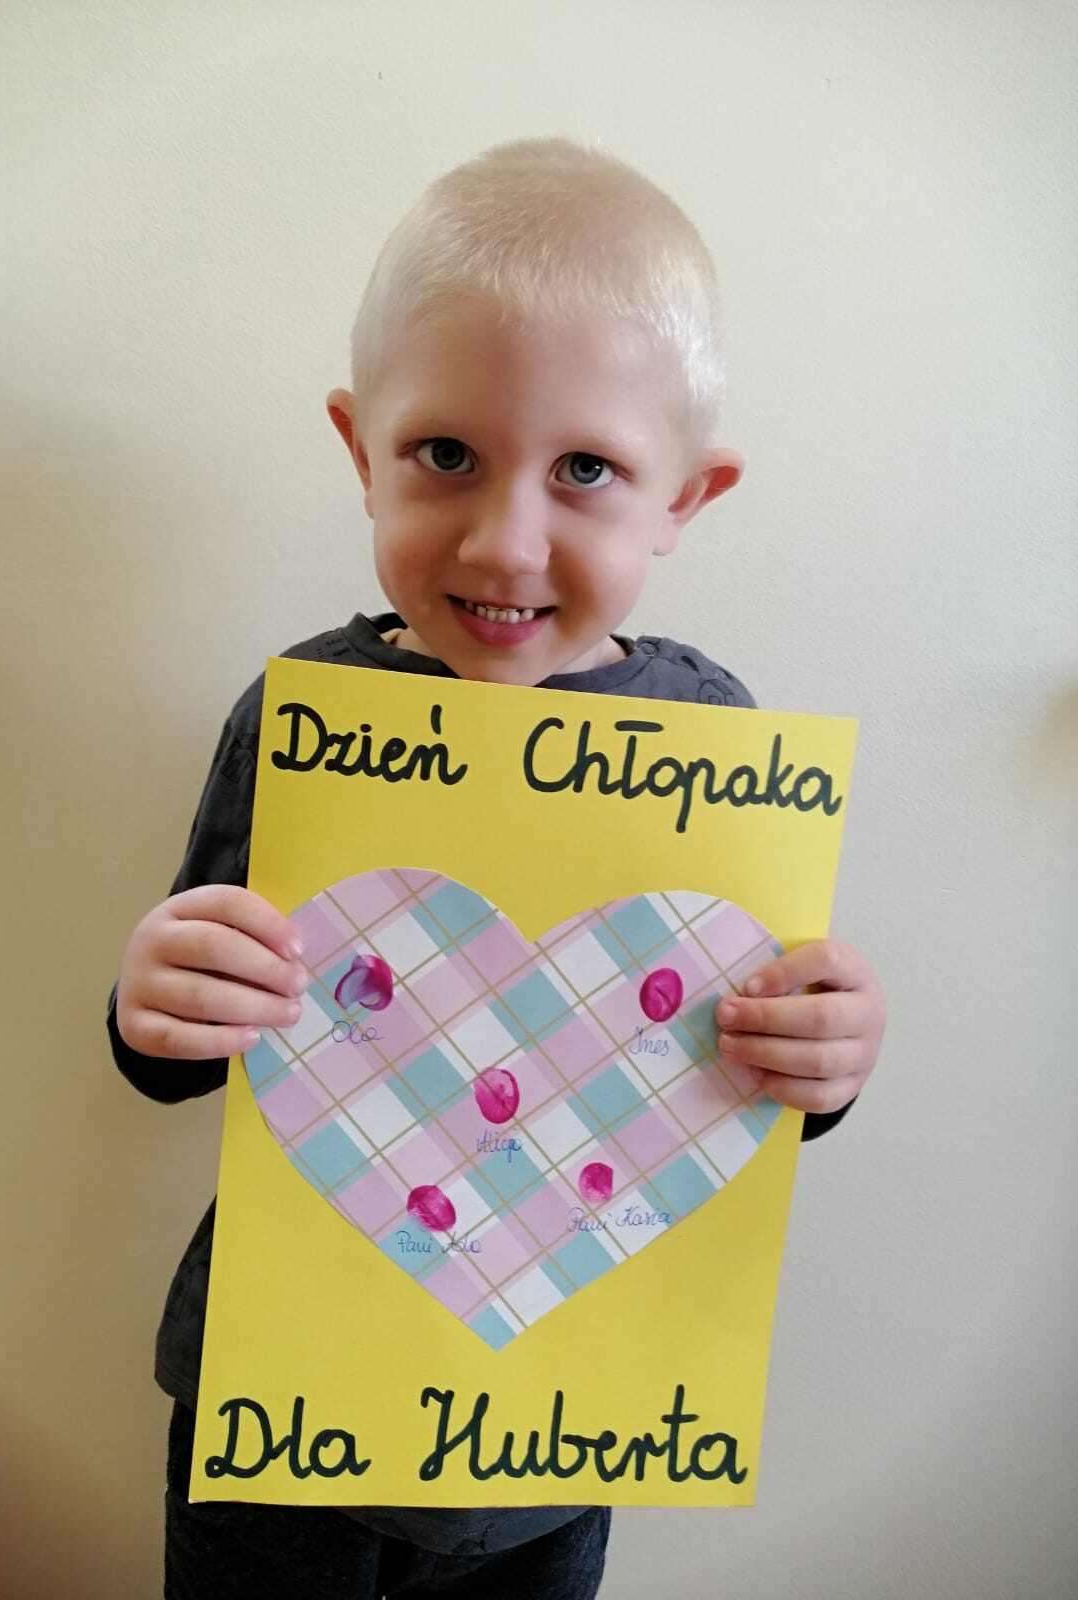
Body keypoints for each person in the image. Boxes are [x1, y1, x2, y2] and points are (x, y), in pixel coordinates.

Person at [109, 138, 886, 1600]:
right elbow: (181, 1055)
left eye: (587, 469)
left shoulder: (715, 743)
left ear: (686, 498)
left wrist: (827, 1056)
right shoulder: (304, 716)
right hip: (278, 1433)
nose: (506, 541)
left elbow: (731, 1081)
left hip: (552, 1449)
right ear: (362, 451)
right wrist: (154, 999)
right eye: (446, 454)